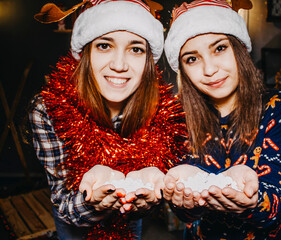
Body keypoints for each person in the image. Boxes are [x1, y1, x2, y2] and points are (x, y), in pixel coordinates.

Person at [29, 0, 186, 239]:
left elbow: (154, 192)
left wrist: (148, 198)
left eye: (135, 49)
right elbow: (63, 200)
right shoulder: (48, 109)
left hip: (129, 224)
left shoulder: (161, 110)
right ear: (86, 52)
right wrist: (96, 202)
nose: (119, 65)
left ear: (148, 60)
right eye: (104, 45)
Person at [162, 0, 281, 239]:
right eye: (192, 59)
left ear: (239, 48)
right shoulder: (177, 118)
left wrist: (250, 200)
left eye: (219, 48)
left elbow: (276, 203)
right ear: (182, 69)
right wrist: (182, 200)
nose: (209, 69)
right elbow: (184, 215)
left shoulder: (280, 107)